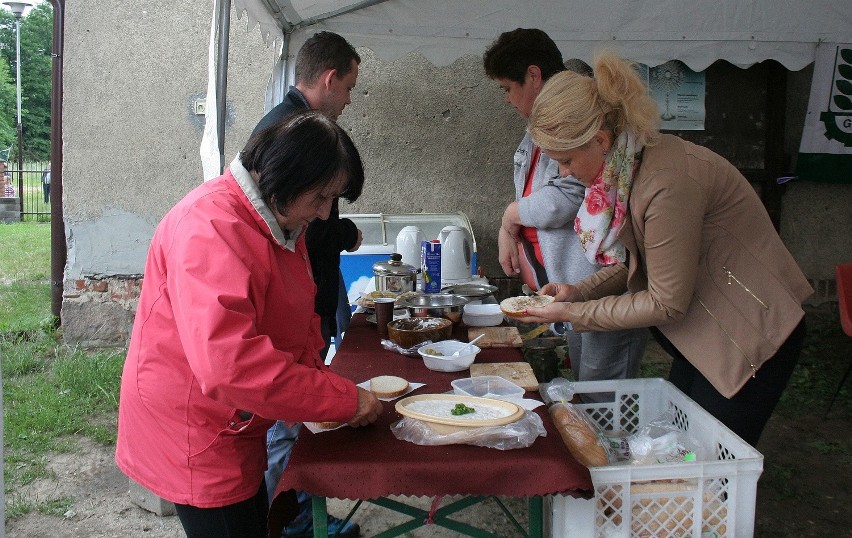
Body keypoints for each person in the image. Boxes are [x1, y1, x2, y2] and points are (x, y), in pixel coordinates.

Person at [521, 50, 813, 446]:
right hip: (706, 333)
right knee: (682, 453)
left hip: (750, 334)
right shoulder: (628, 166)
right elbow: (639, 262)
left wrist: (575, 313)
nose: (563, 173)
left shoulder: (665, 183)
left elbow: (666, 300)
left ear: (601, 140)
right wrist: (579, 291)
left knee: (711, 471)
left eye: (567, 160)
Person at [114, 111, 383, 538]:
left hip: (234, 423)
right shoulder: (210, 227)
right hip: (198, 430)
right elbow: (230, 364)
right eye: (322, 196)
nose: (326, 212)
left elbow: (292, 321)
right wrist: (341, 400)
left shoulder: (276, 220)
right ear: (283, 178)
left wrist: (318, 382)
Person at [483, 29, 648, 383]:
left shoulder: (581, 126)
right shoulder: (543, 130)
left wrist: (511, 216)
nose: (506, 99)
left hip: (601, 290)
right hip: (577, 289)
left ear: (533, 74)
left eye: (507, 88)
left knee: (602, 394)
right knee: (588, 390)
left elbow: (570, 193)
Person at [250, 31, 364, 537]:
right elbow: (243, 369)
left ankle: (293, 510)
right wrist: (341, 230)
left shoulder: (298, 128)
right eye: (349, 87)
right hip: (201, 451)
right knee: (283, 429)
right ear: (328, 78)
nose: (348, 99)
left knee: (288, 421)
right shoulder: (291, 132)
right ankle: (291, 518)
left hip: (305, 294)